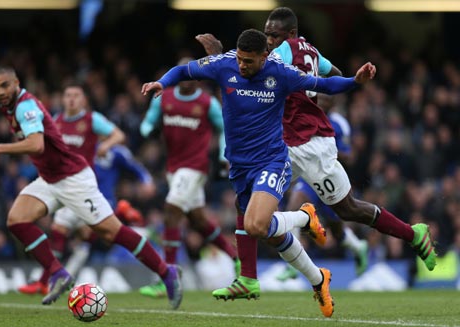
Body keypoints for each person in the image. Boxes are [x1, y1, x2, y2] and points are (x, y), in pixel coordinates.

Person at [196, 7, 436, 302]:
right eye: (267, 34)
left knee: (334, 209)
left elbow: (250, 65)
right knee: (259, 207)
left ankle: (405, 233)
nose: (269, 40)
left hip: (302, 144)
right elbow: (330, 75)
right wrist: (325, 96)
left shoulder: (283, 52)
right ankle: (270, 277)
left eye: (274, 35)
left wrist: (220, 54)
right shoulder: (310, 51)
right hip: (298, 142)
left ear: (290, 35)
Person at [142, 28, 376, 317]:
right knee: (269, 233)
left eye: (248, 61)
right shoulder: (224, 63)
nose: (242, 65)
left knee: (255, 226)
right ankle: (312, 279)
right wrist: (161, 82)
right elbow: (183, 71)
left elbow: (325, 85)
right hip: (239, 164)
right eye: (240, 59)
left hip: (271, 161)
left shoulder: (282, 73)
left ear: (265, 56)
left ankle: (304, 217)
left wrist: (355, 81)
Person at [0, 67, 182, 309]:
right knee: (17, 219)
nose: (1, 91)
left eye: (5, 85)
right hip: (50, 179)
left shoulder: (26, 106)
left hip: (74, 179)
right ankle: (58, 273)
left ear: (16, 82)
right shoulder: (18, 108)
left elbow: (36, 145)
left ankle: (166, 272)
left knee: (112, 232)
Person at [138, 59, 239, 298]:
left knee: (171, 210)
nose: (184, 79)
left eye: (188, 75)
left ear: (197, 78)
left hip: (195, 167)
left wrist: (225, 152)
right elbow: (147, 123)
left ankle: (169, 275)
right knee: (198, 222)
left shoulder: (206, 103)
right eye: (180, 74)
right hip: (173, 168)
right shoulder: (164, 98)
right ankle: (236, 258)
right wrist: (147, 130)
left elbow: (224, 126)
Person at [18, 83, 126, 295]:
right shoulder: (55, 121)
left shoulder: (91, 120)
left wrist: (105, 145)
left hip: (80, 184)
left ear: (83, 99)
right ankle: (48, 280)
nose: (71, 99)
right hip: (61, 184)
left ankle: (46, 280)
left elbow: (119, 135)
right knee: (73, 233)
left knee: (70, 231)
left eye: (76, 95)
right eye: (68, 95)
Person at [278, 94, 368, 281]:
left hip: (328, 176)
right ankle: (292, 265)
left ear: (333, 103)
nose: (323, 102)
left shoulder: (339, 124)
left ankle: (358, 247)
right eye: (321, 99)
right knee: (294, 205)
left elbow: (349, 156)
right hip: (309, 177)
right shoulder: (304, 116)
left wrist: (326, 147)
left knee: (337, 230)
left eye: (327, 100)